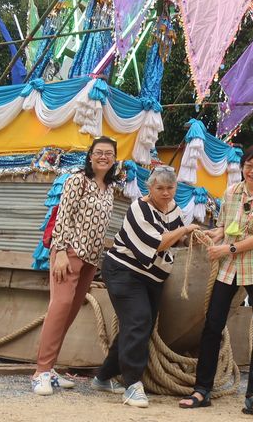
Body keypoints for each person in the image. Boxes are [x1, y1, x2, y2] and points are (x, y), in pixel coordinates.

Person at [178, 145, 253, 420]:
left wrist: (229, 248)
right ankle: (202, 390)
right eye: (249, 165)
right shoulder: (231, 192)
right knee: (212, 325)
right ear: (243, 167)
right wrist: (211, 235)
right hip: (229, 269)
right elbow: (226, 227)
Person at [90, 166, 202, 408]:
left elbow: (179, 238)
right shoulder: (138, 209)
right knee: (138, 321)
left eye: (170, 188)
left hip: (152, 277)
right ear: (149, 188)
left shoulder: (174, 208)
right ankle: (133, 384)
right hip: (125, 271)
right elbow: (159, 243)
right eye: (160, 188)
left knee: (139, 325)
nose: (165, 193)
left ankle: (103, 377)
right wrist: (184, 229)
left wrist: (195, 237)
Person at [32, 136, 119, 396]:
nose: (103, 157)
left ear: (115, 159)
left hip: (91, 258)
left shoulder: (110, 188)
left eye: (109, 153)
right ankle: (40, 372)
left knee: (68, 314)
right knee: (59, 308)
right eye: (99, 152)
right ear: (90, 156)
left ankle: (50, 369)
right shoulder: (77, 180)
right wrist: (59, 251)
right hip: (69, 252)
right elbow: (63, 216)